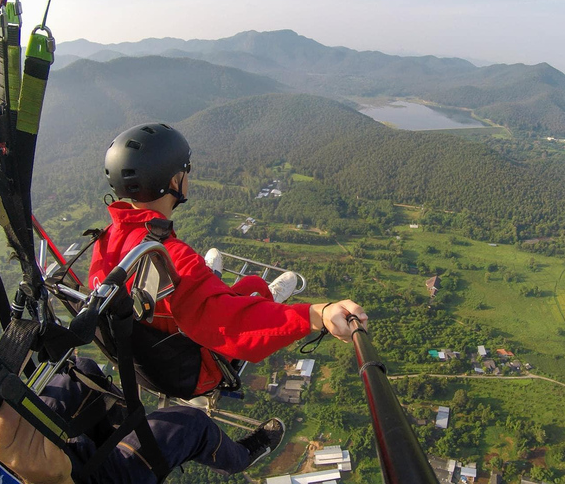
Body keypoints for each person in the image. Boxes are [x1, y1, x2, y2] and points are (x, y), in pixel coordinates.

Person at [0, 234, 287, 483]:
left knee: (82, 373)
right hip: (67, 470)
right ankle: (244, 456)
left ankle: (203, 291)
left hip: (36, 435)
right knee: (188, 424)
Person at [89, 123, 369, 397]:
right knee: (252, 288)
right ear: (174, 182)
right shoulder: (170, 256)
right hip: (191, 369)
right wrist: (315, 314)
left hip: (142, 363)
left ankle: (208, 280)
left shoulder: (106, 239)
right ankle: (267, 296)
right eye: (186, 171)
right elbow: (233, 326)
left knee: (210, 284)